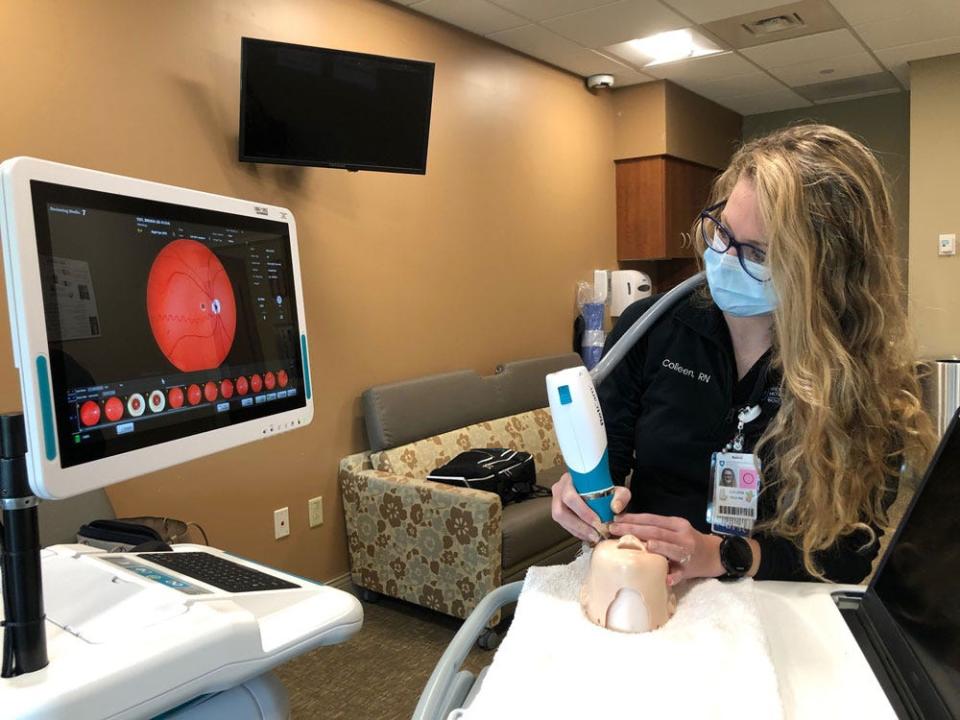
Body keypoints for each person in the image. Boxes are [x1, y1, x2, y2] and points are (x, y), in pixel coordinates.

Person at [551, 124, 935, 586]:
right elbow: (603, 463)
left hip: (777, 604)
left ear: (827, 272)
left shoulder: (862, 379)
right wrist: (581, 493)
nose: (725, 258)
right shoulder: (651, 326)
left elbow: (848, 557)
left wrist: (726, 555)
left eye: (758, 252)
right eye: (722, 231)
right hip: (649, 588)